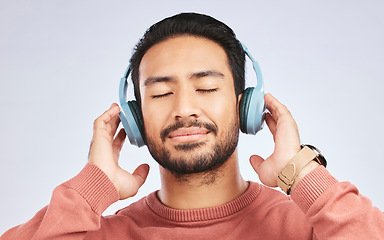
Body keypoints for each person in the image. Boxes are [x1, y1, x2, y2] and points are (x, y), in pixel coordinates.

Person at [1, 12, 383, 240]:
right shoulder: (101, 233)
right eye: (162, 93)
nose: (184, 109)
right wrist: (89, 190)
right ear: (135, 118)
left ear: (244, 105)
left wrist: (300, 173)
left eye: (206, 87)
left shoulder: (309, 227)